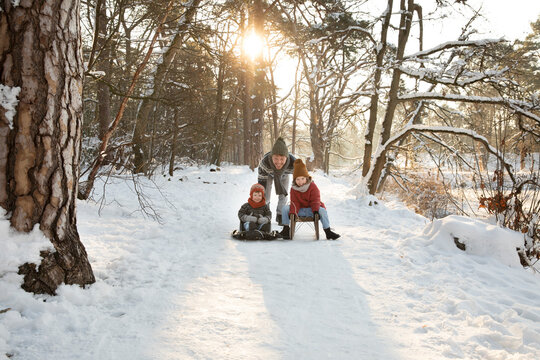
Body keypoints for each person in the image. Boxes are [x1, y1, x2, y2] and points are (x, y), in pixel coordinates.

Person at [280, 159, 340, 240]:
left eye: (302, 178)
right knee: (285, 208)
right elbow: (295, 202)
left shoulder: (312, 186)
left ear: (306, 178)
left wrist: (315, 210)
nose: (300, 182)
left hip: (311, 210)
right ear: (294, 180)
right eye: (297, 179)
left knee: (322, 211)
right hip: (299, 210)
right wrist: (293, 212)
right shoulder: (294, 189)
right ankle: (286, 229)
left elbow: (315, 200)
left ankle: (328, 231)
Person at [257, 137, 296, 225]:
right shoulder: (265, 162)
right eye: (276, 158)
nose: (278, 162)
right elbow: (261, 183)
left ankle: (280, 215)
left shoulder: (294, 163)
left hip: (284, 174)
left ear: (287, 157)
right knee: (265, 195)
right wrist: (262, 193)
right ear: (271, 156)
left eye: (282, 159)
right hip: (268, 174)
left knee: (284, 194)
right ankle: (266, 214)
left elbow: (301, 178)